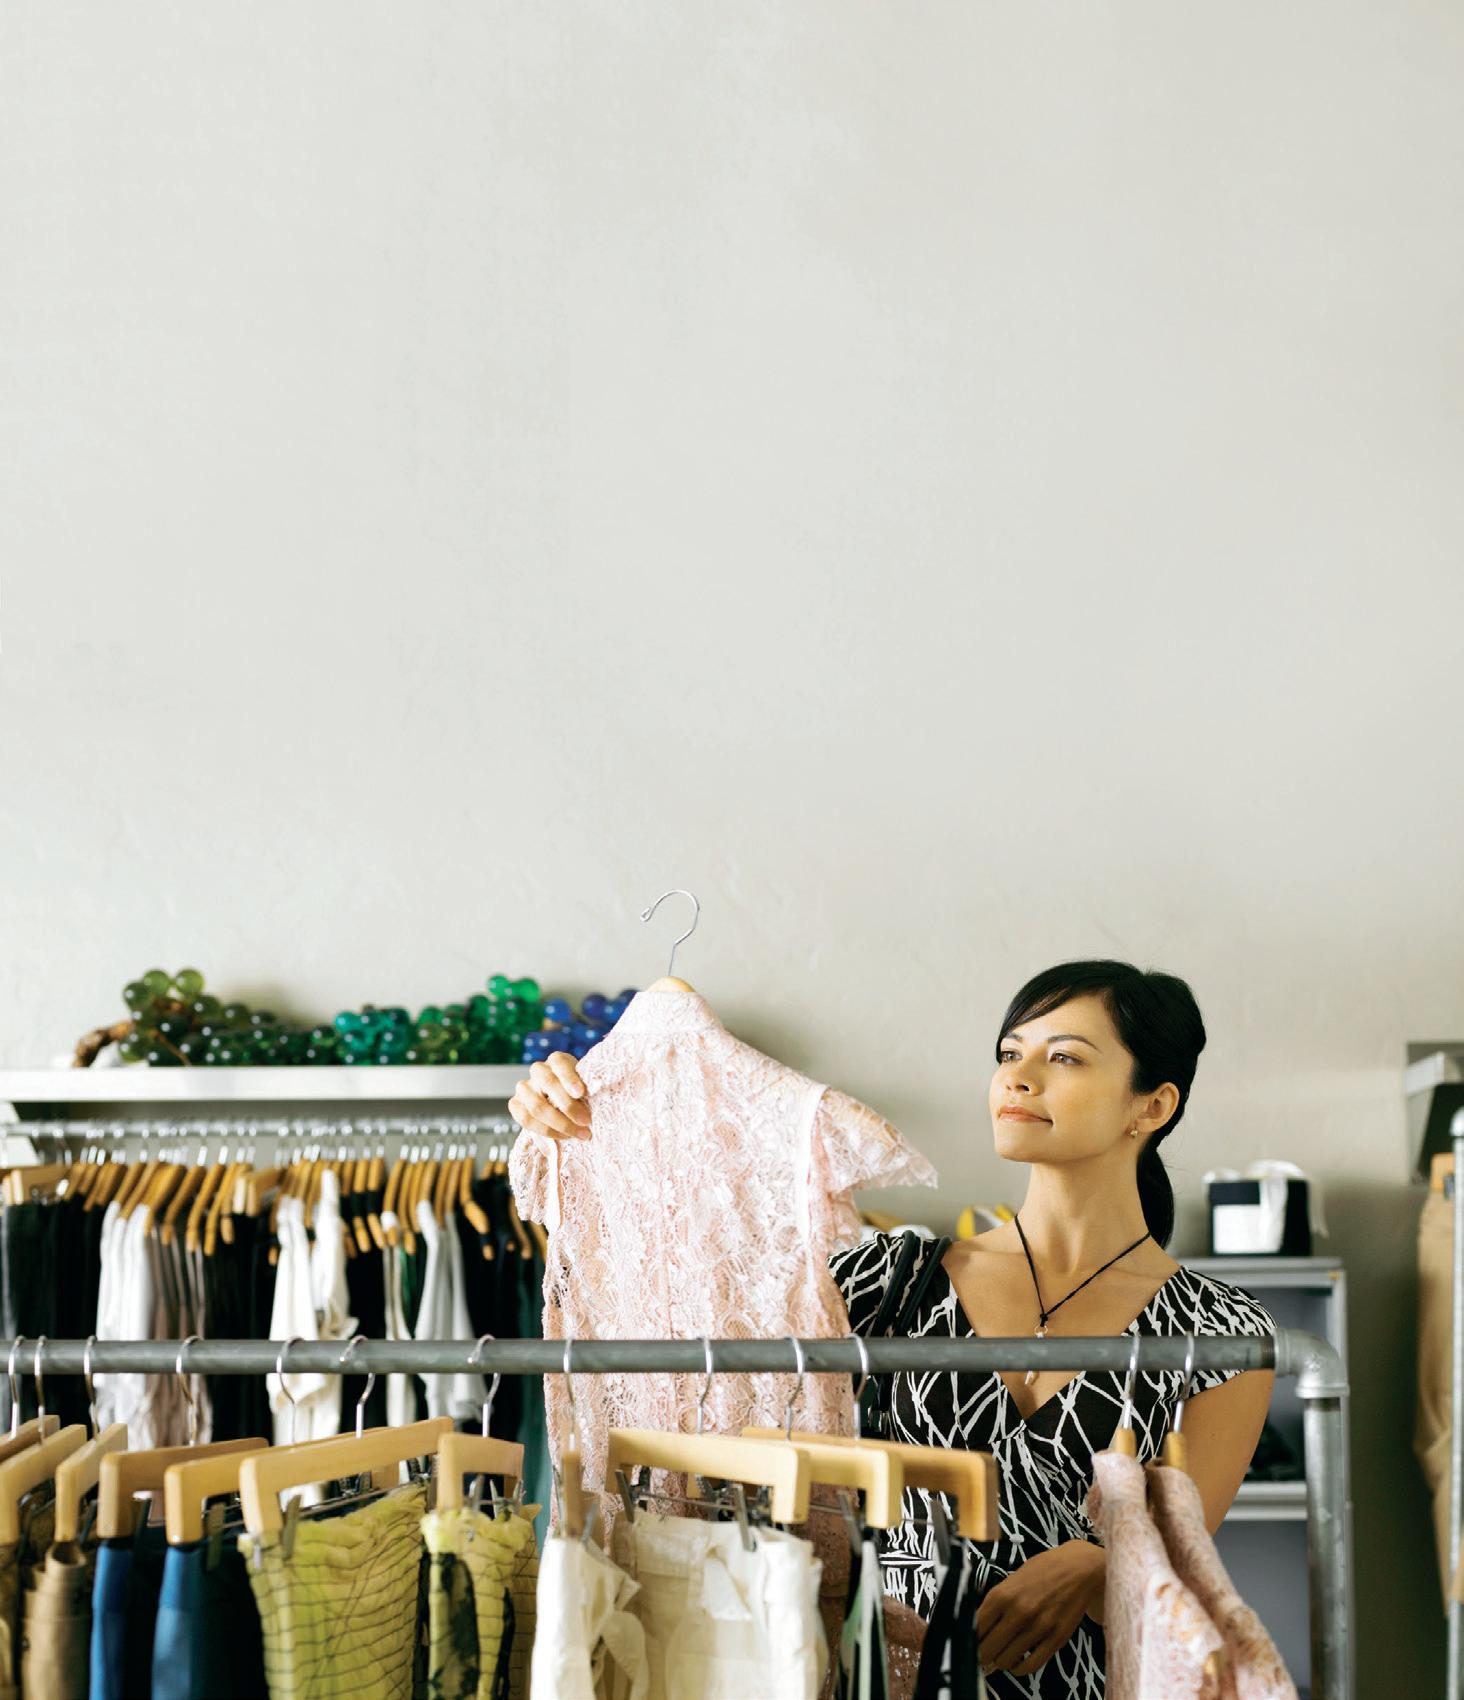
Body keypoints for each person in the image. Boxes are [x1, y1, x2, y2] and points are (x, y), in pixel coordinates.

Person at [508, 958, 1276, 1699]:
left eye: (1065, 1057)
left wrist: (1094, 1562)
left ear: (1153, 1106)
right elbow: (689, 1309)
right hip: (886, 1675)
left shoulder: (1219, 1330)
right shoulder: (889, 1279)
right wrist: (588, 1127)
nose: (1018, 1077)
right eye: (1010, 1054)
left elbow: (1182, 1559)